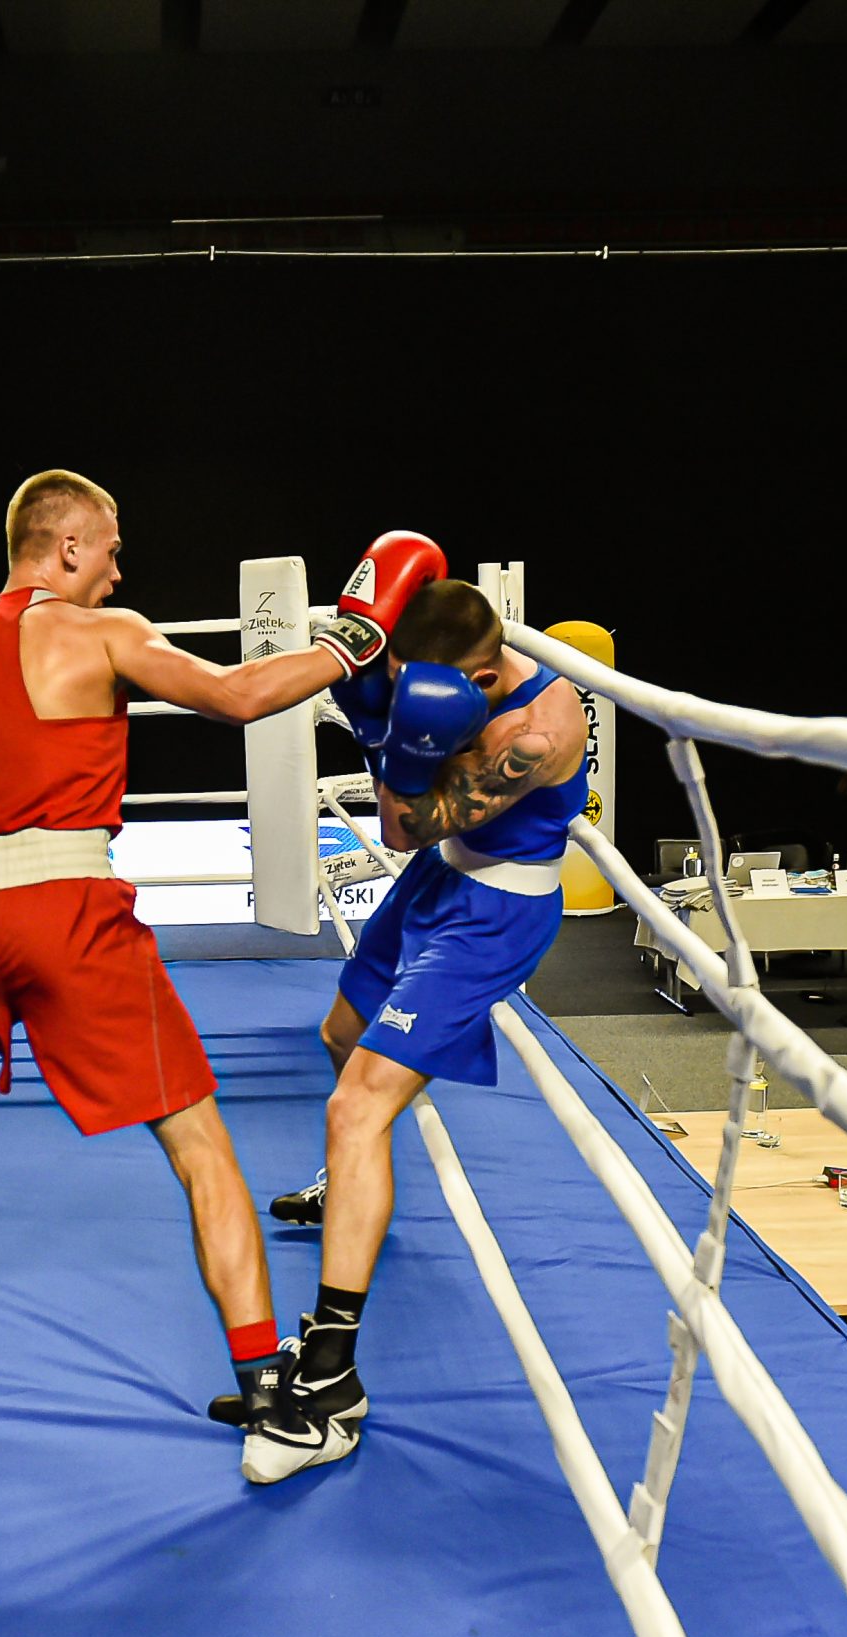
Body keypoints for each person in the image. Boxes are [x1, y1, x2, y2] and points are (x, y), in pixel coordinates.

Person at [0, 470, 431, 1486]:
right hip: (67, 912)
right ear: (65, 547)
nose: (116, 570)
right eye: (109, 549)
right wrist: (350, 642)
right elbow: (236, 697)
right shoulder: (103, 634)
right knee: (201, 1146)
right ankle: (271, 1407)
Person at [250, 578, 590, 1442]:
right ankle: (352, 1186)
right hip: (442, 877)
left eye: (413, 690)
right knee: (339, 1033)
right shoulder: (445, 672)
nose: (400, 697)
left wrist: (383, 735)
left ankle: (333, 1375)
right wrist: (369, 687)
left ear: (478, 682)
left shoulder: (533, 732)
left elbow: (406, 826)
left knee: (355, 1107)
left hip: (495, 911)